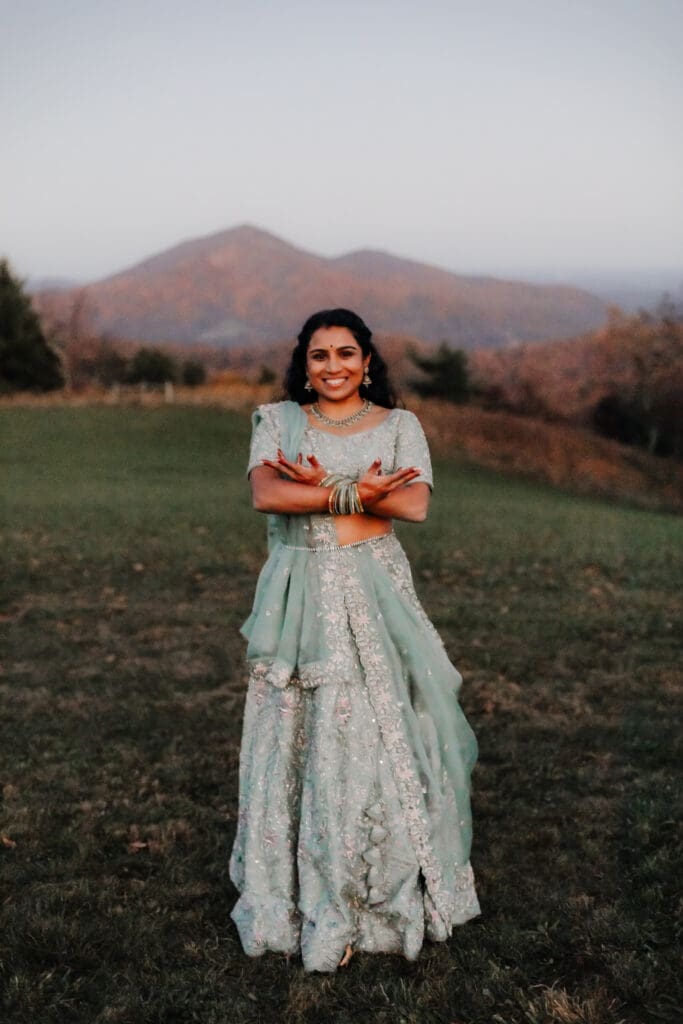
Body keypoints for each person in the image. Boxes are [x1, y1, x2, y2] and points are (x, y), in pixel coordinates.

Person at [229, 308, 481, 972]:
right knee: (297, 732)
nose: (333, 366)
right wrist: (354, 491)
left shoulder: (400, 427)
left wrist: (317, 486)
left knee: (378, 731)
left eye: (346, 353)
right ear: (303, 365)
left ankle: (376, 888)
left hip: (376, 594)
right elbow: (265, 494)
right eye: (319, 355)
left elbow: (414, 506)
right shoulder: (275, 421)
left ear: (368, 361)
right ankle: (294, 893)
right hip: (300, 593)